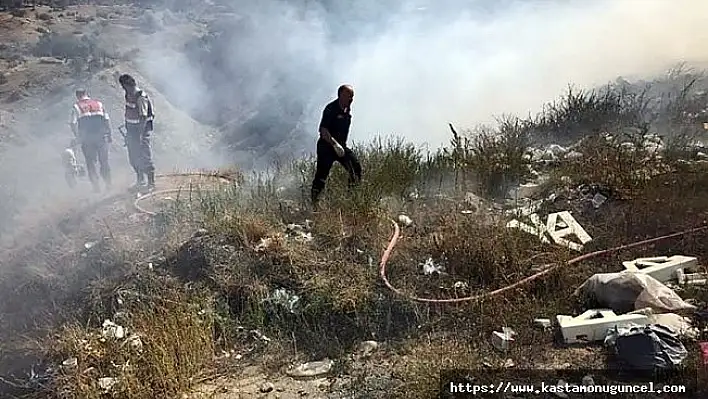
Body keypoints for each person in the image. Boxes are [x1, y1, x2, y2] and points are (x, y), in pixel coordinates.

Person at [310, 84, 362, 209]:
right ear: (340, 95)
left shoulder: (347, 111)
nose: (351, 99)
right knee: (321, 176)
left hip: (341, 147)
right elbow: (323, 130)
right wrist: (334, 144)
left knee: (356, 169)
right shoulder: (330, 109)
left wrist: (341, 146)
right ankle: (315, 204)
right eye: (348, 96)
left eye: (352, 97)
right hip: (326, 147)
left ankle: (351, 201)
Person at [69, 88, 112, 192]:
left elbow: (73, 123)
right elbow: (107, 119)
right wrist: (109, 134)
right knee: (104, 161)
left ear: (77, 96)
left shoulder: (76, 107)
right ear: (86, 94)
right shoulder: (98, 104)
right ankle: (108, 184)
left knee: (90, 162)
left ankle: (96, 186)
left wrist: (78, 136)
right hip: (101, 137)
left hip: (87, 139)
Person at [118, 73, 155, 192]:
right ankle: (140, 180)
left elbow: (143, 117)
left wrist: (139, 135)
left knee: (144, 156)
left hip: (141, 132)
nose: (123, 89)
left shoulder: (141, 97)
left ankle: (151, 184)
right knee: (133, 157)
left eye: (124, 86)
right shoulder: (128, 95)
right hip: (131, 131)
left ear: (128, 85)